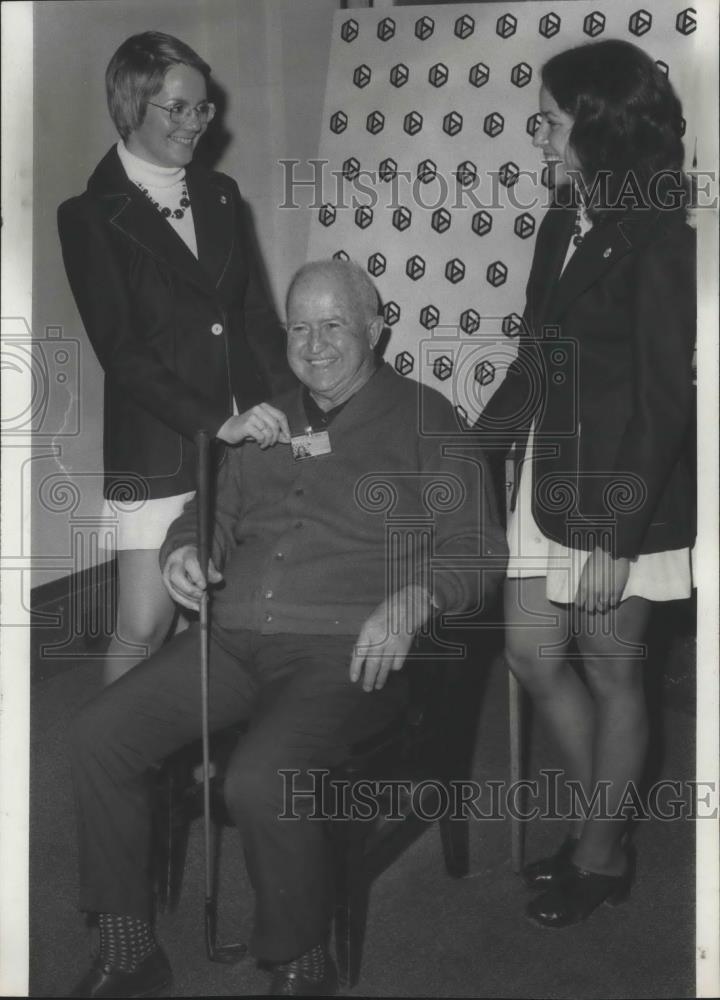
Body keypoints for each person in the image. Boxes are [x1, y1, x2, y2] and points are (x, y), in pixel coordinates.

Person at [67, 259, 507, 997]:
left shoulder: (429, 420)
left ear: (376, 328)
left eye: (334, 324)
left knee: (263, 778)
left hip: (346, 652)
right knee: (97, 735)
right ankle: (128, 945)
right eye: (299, 326)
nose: (315, 343)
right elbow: (206, 516)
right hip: (234, 640)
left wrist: (416, 598)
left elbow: (478, 549)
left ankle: (304, 964)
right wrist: (185, 553)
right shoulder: (264, 423)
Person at [475, 38, 695, 927]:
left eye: (550, 123)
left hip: (618, 497)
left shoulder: (662, 237)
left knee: (612, 672)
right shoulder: (563, 219)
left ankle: (601, 853)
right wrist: (468, 447)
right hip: (549, 479)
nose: (539, 139)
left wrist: (617, 534)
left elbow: (660, 404)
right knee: (530, 652)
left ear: (596, 128)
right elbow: (535, 356)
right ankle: (604, 818)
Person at [58, 31, 295, 685]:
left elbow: (254, 324)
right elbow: (123, 355)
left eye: (203, 109)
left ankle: (194, 778)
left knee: (212, 620)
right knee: (145, 625)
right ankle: (111, 777)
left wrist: (294, 413)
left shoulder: (220, 195)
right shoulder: (88, 216)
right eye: (178, 109)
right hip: (158, 449)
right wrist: (217, 420)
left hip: (241, 442)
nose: (195, 123)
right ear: (132, 106)